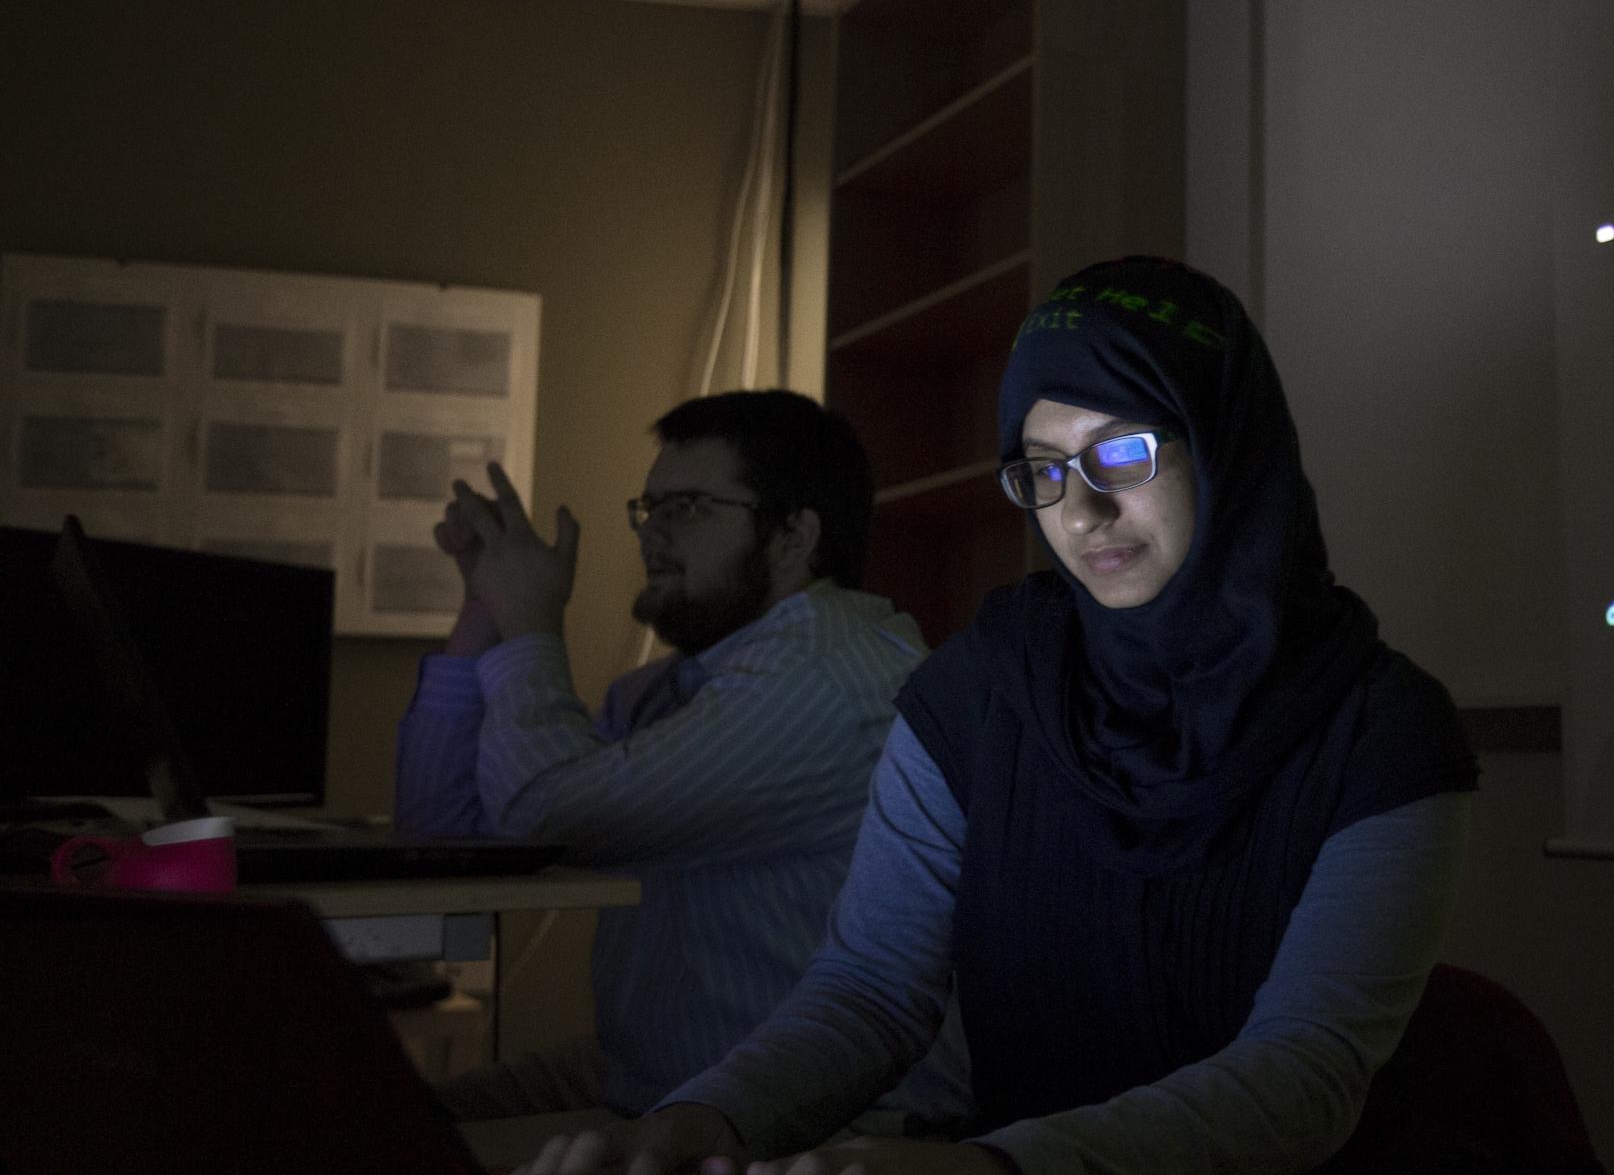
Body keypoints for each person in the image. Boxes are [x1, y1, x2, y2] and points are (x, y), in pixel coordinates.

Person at [527, 259, 1480, 1174]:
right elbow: (869, 995)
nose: (1082, 512)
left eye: (1121, 452)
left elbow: (1302, 1077)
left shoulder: (1382, 734)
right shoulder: (981, 692)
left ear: (1223, 445)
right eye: (1042, 467)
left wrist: (997, 1167)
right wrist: (699, 1122)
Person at [394, 389, 965, 1126]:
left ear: (793, 536)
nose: (650, 535)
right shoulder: (674, 688)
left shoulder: (826, 673)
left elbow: (544, 814)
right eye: (649, 507)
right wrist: (486, 605)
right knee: (386, 1123)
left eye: (687, 507)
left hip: (827, 1125)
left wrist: (532, 622)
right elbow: (441, 839)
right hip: (656, 1076)